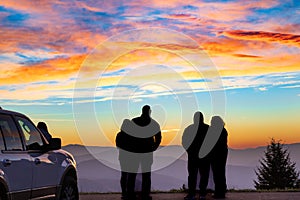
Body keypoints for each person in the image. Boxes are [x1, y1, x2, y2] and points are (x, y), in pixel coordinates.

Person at [116, 105, 161, 200]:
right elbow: (158, 138)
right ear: (150, 111)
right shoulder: (154, 124)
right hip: (147, 153)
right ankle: (145, 195)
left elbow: (128, 135)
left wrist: (131, 147)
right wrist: (154, 147)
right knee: (146, 175)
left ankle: (130, 194)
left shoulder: (135, 121)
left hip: (135, 152)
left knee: (132, 174)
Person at [182, 112, 209, 200]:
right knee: (204, 175)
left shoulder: (189, 129)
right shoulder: (208, 129)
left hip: (193, 156)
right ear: (203, 118)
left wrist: (189, 151)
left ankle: (192, 194)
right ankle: (202, 194)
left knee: (192, 176)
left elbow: (184, 141)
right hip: (204, 157)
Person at [208, 116, 228, 199]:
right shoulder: (223, 130)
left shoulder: (213, 131)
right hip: (223, 153)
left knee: (217, 174)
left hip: (215, 154)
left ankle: (218, 193)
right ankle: (222, 192)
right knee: (221, 173)